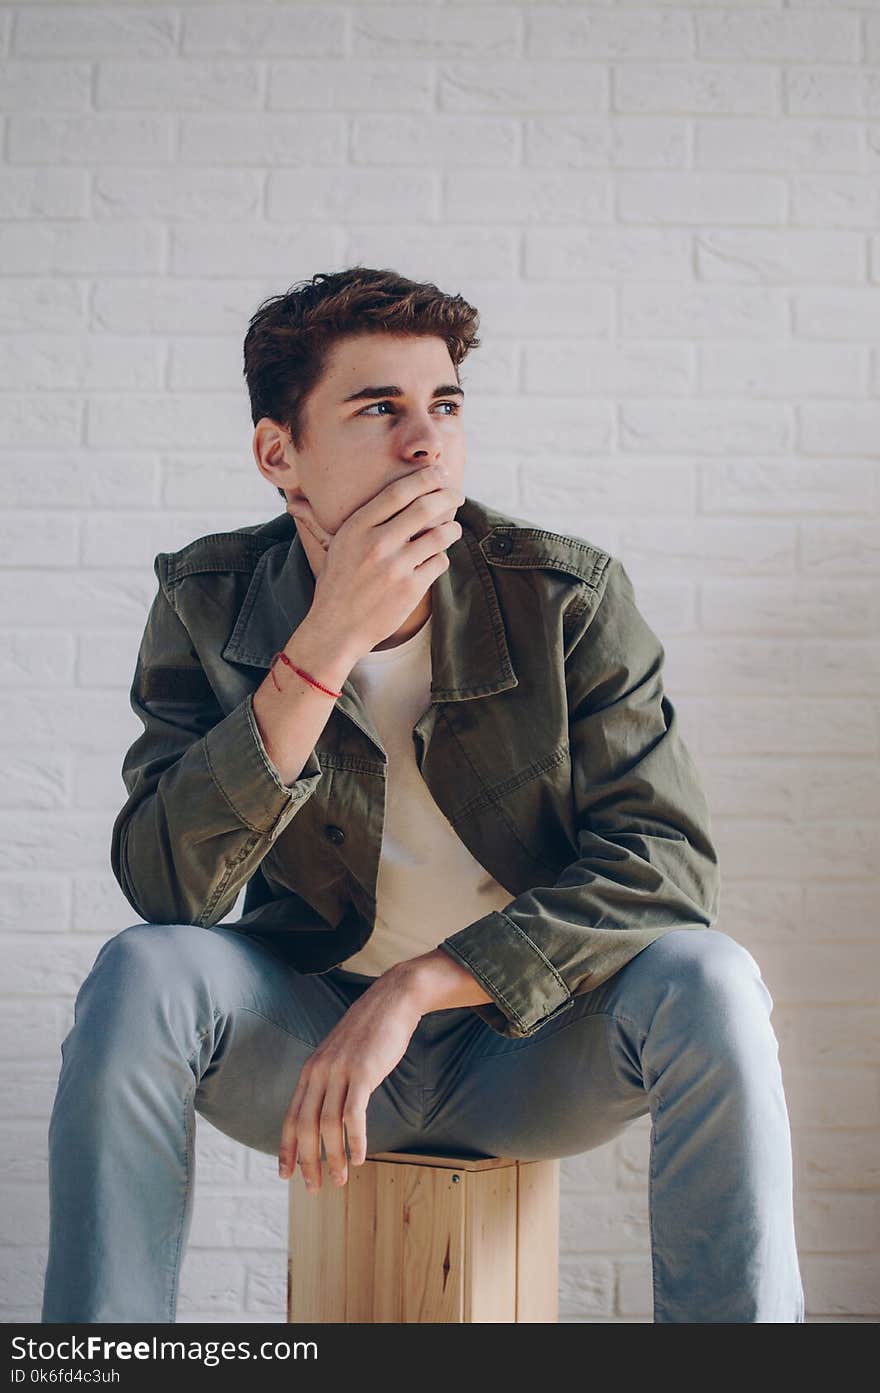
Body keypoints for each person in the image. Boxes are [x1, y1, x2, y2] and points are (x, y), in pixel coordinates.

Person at [41, 266, 805, 1323]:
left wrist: (414, 990)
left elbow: (664, 870)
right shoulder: (206, 600)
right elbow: (169, 887)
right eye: (378, 410)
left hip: (529, 1047)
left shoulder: (563, 597)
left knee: (711, 976)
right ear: (280, 455)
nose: (425, 442)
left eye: (444, 405)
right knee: (140, 972)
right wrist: (324, 643)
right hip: (306, 1044)